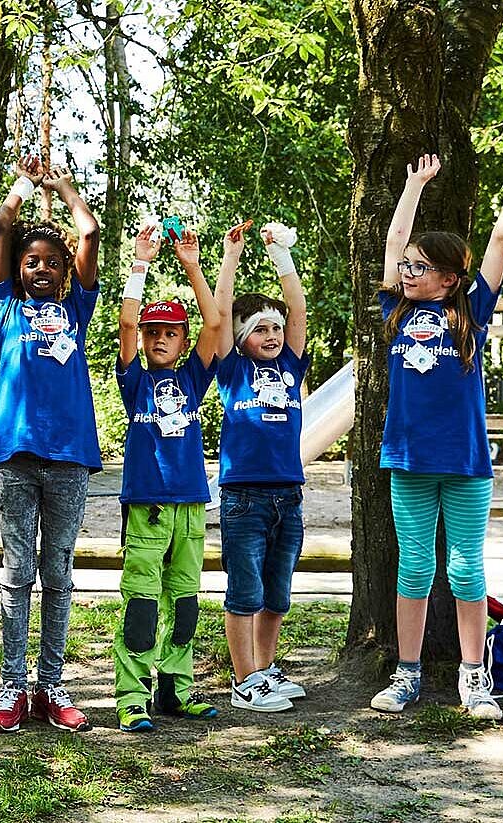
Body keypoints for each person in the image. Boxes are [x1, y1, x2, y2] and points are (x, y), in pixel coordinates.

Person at [368, 135, 503, 720]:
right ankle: (407, 673)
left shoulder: (467, 311)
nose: (407, 270)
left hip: (467, 461)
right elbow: (395, 240)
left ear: (448, 278)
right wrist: (413, 187)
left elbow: (500, 238)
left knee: (465, 567)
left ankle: (474, 677)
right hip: (410, 461)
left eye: (420, 267)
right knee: (414, 566)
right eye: (407, 267)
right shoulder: (397, 309)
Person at [0, 156, 100, 734]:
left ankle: (50, 685)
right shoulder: (5, 308)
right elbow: (2, 228)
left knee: (57, 570)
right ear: (20, 272)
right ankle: (11, 685)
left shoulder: (78, 309)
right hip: (17, 457)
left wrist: (64, 188)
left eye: (53, 264)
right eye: (32, 263)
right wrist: (24, 187)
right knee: (16, 569)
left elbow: (91, 232)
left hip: (70, 458)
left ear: (66, 273)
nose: (42, 270)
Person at [110, 224, 223, 732]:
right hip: (147, 505)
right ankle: (132, 694)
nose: (159, 338)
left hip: (191, 505)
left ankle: (176, 688)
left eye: (170, 332)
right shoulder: (135, 381)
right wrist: (140, 263)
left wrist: (192, 266)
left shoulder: (193, 378)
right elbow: (126, 324)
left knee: (184, 600)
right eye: (153, 331)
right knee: (141, 604)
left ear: (181, 339)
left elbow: (216, 326)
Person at [213, 219, 311, 714]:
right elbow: (219, 314)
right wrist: (231, 256)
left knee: (277, 595)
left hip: (287, 497)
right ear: (242, 337)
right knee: (245, 592)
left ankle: (265, 672)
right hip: (244, 498)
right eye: (261, 329)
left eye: (275, 327)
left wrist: (282, 255)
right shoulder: (232, 370)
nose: (272, 334)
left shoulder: (291, 366)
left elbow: (298, 310)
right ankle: (244, 678)